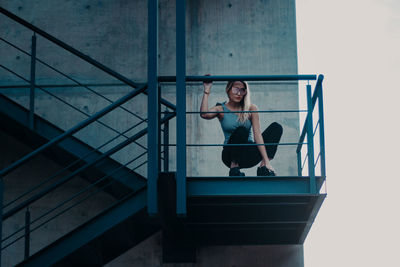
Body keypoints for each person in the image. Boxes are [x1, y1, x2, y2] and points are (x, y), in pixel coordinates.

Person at [200, 77, 283, 176]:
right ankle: (234, 168)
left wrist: (267, 161)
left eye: (242, 90)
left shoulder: (251, 108)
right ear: (228, 89)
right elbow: (204, 114)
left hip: (248, 154)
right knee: (241, 130)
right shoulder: (221, 109)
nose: (239, 94)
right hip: (229, 155)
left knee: (276, 128)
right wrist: (207, 91)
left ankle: (263, 167)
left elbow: (257, 135)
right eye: (236, 89)